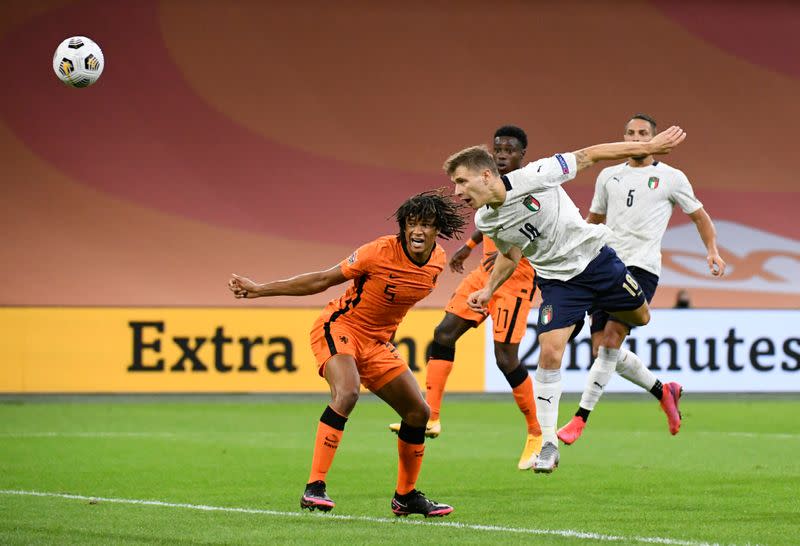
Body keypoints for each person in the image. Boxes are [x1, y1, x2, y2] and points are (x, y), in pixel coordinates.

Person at [443, 125, 686, 472]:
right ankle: (547, 444)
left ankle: (663, 388)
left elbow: (589, 154)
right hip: (558, 283)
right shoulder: (487, 219)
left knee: (641, 319)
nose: (458, 191)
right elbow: (511, 255)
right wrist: (488, 289)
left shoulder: (535, 175)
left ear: (485, 176)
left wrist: (649, 146)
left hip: (596, 261)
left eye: (462, 182)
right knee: (550, 350)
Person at [228, 191, 466, 517]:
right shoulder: (378, 251)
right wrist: (259, 289)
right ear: (403, 227)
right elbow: (323, 279)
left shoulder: (437, 261)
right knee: (348, 392)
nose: (418, 231)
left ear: (437, 228)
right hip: (340, 327)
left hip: (376, 343)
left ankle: (406, 497)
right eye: (412, 223)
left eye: (426, 224)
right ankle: (315, 487)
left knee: (418, 414)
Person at [557, 114, 725, 445]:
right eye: (631, 133)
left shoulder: (671, 178)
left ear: (655, 138)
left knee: (612, 340)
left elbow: (700, 216)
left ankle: (580, 418)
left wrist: (712, 250)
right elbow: (595, 218)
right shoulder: (608, 176)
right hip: (603, 264)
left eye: (644, 133)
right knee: (602, 352)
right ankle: (665, 391)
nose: (637, 138)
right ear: (623, 137)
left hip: (641, 268)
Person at [390, 126, 543, 470]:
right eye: (498, 148)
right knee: (443, 334)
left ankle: (536, 433)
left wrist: (512, 255)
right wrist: (468, 247)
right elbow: (487, 219)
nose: (503, 154)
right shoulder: (488, 185)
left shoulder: (529, 187)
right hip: (484, 273)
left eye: (510, 150)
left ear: (522, 156)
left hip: (516, 279)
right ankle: (431, 416)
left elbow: (529, 231)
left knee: (506, 358)